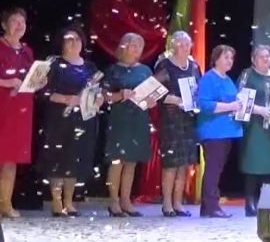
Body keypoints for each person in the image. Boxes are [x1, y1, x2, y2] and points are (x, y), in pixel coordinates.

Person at [38, 26, 103, 217]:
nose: (74, 42)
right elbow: (43, 93)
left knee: (75, 159)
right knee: (58, 159)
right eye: (69, 39)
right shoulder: (54, 64)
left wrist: (98, 99)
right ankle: (57, 202)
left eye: (77, 39)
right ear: (62, 42)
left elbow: (97, 91)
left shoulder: (90, 67)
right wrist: (67, 99)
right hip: (59, 119)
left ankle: (69, 201)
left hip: (83, 120)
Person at [104, 33, 157, 217]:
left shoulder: (145, 71)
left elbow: (152, 95)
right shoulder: (113, 70)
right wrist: (120, 95)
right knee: (117, 161)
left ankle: (126, 201)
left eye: (139, 46)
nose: (136, 49)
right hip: (120, 119)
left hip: (139, 119)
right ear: (123, 46)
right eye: (133, 45)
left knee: (131, 162)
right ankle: (114, 201)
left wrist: (151, 101)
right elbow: (104, 96)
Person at [153, 31, 201, 217]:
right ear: (173, 46)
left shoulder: (194, 66)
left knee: (184, 164)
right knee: (171, 163)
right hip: (170, 120)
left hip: (189, 120)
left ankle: (178, 203)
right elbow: (154, 92)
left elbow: (199, 89)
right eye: (181, 44)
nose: (185, 47)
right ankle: (167, 204)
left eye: (187, 44)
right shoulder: (165, 65)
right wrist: (175, 99)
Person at [196, 45, 243, 218]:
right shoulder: (208, 79)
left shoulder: (228, 79)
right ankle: (212, 206)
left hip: (227, 131)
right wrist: (230, 106)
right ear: (216, 59)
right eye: (226, 57)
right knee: (213, 169)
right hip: (213, 132)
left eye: (231, 58)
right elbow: (204, 104)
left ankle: (207, 207)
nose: (230, 61)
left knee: (217, 169)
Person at [238, 44, 270, 217]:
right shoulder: (247, 75)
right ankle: (250, 202)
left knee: (269, 167)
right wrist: (259, 110)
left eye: (268, 56)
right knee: (253, 165)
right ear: (253, 59)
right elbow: (239, 99)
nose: (266, 59)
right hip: (255, 128)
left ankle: (266, 202)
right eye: (262, 56)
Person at [0, 8, 34, 218]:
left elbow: (30, 78)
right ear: (4, 25)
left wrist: (39, 81)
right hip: (2, 106)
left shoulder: (27, 51)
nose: (19, 25)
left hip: (20, 111)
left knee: (10, 159)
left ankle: (5, 204)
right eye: (14, 21)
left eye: (22, 22)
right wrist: (6, 82)